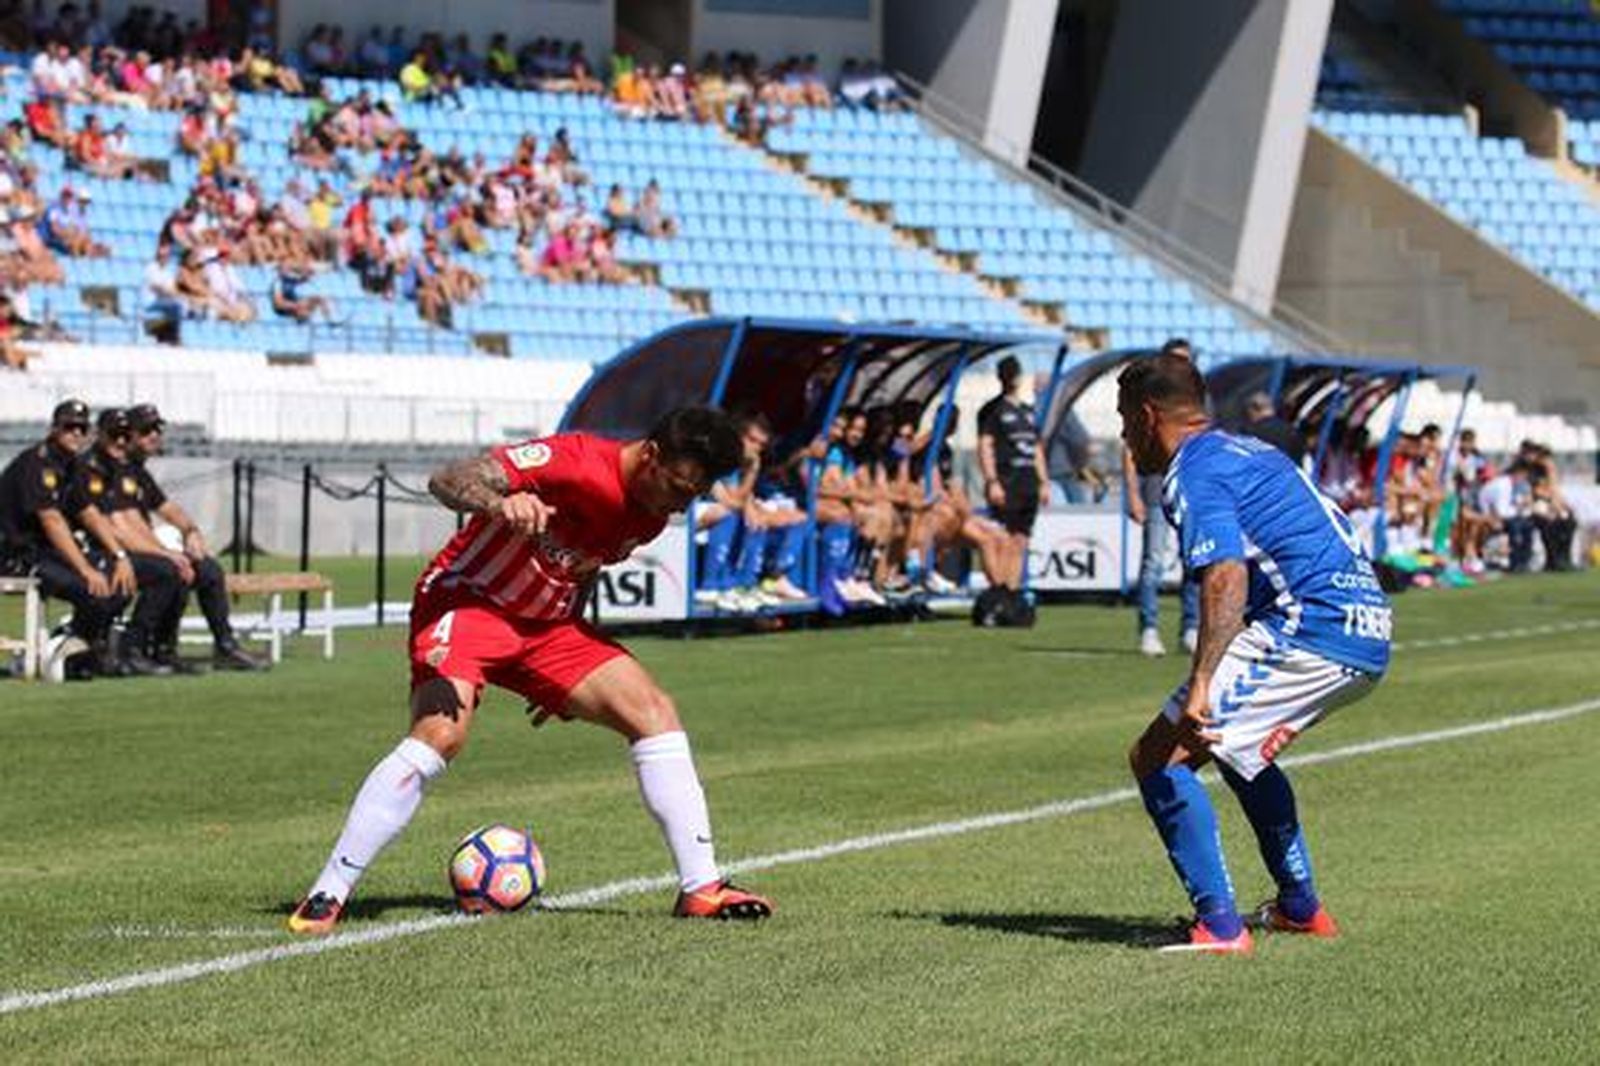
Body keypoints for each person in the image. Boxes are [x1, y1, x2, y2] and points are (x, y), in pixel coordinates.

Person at [288, 407, 774, 934]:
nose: (681, 504)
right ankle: (327, 893)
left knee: (655, 713)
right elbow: (446, 479)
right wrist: (501, 503)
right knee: (440, 734)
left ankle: (701, 888)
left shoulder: (650, 514)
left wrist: (561, 679)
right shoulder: (574, 460)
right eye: (679, 486)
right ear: (651, 455)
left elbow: (584, 569)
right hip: (468, 603)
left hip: (548, 630)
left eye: (694, 494)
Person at [1118, 353, 1391, 953]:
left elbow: (1226, 574)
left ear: (1147, 415)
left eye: (1123, 420)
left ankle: (1219, 927)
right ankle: (1300, 908)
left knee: (1160, 758)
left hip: (1310, 627)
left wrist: (1202, 679)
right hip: (1365, 626)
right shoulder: (1252, 451)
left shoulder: (1193, 469)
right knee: (1236, 753)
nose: (1124, 438)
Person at [119, 404, 265, 670]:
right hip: (119, 550)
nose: (154, 435)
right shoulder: (117, 469)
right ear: (129, 434)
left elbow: (167, 508)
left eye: (158, 429)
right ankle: (141, 647)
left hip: (145, 548)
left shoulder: (139, 472)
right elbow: (124, 525)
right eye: (147, 430)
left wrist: (191, 531)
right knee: (173, 570)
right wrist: (168, 553)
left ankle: (224, 645)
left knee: (209, 570)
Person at [0, 399, 137, 677]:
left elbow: (89, 513)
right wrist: (85, 568)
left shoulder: (71, 465)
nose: (76, 433)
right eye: (69, 427)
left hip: (47, 553)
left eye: (82, 428)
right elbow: (51, 520)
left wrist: (120, 555)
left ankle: (70, 644)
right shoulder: (37, 463)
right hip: (17, 555)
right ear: (54, 429)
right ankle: (69, 655)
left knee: (120, 584)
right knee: (92, 590)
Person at [1125, 340, 1199, 656]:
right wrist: (1132, 494)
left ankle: (1191, 627)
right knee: (1152, 562)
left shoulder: (1200, 400)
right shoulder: (1148, 398)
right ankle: (1149, 629)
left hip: (1190, 493)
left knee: (1193, 562)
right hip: (1156, 491)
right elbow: (1129, 449)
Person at [975, 355, 1047, 625]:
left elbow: (1036, 448)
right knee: (1003, 539)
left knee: (1020, 541)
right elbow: (985, 445)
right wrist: (991, 480)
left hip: (1028, 483)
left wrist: (1044, 481)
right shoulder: (992, 410)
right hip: (1007, 482)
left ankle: (1013, 594)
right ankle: (999, 592)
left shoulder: (1028, 411)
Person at [1239, 390, 1303, 463]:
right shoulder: (1293, 431)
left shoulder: (1252, 433)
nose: (1248, 418)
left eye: (1247, 414)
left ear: (1253, 410)